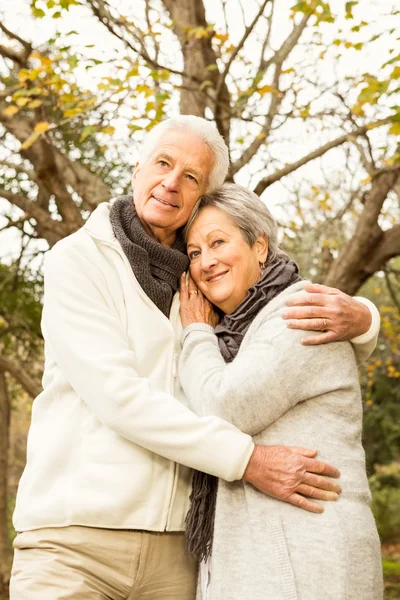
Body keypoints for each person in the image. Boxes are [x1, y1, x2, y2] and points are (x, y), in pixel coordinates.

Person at [10, 116, 378, 599]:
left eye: (191, 177)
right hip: (77, 540)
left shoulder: (204, 287)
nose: (170, 183)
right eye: (163, 163)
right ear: (138, 167)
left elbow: (279, 323)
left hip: (179, 553)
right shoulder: (80, 261)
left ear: (204, 196)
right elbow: (119, 397)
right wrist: (247, 460)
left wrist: (365, 318)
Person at [179, 182, 383, 600]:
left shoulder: (298, 313)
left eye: (218, 242)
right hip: (273, 558)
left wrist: (196, 331)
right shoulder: (238, 332)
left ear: (260, 247)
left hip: (307, 558)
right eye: (195, 252)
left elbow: (224, 406)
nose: (206, 262)